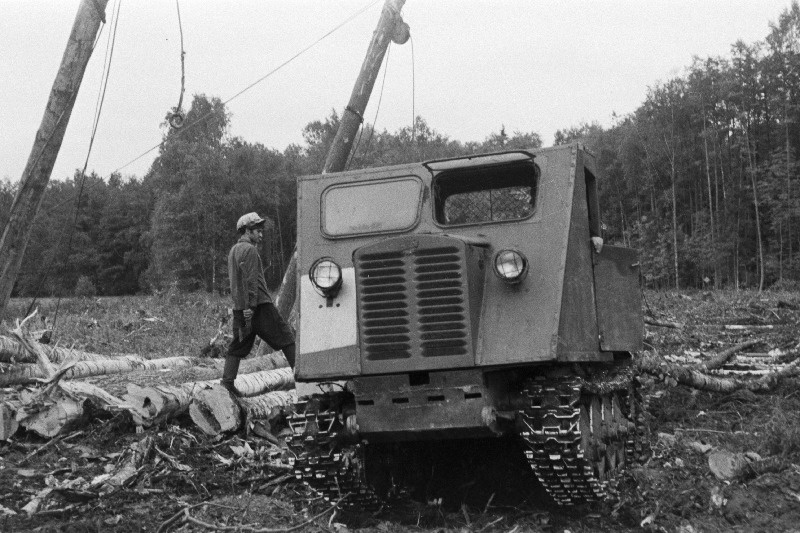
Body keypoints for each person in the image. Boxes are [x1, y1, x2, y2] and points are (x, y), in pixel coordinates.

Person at [222, 212, 296, 396]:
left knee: (237, 346)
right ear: (246, 231)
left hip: (240, 309)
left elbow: (236, 283)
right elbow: (251, 281)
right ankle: (302, 377)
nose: (261, 235)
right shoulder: (250, 250)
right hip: (259, 306)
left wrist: (244, 309)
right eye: (257, 230)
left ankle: (227, 382)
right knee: (286, 337)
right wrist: (252, 307)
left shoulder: (233, 251)